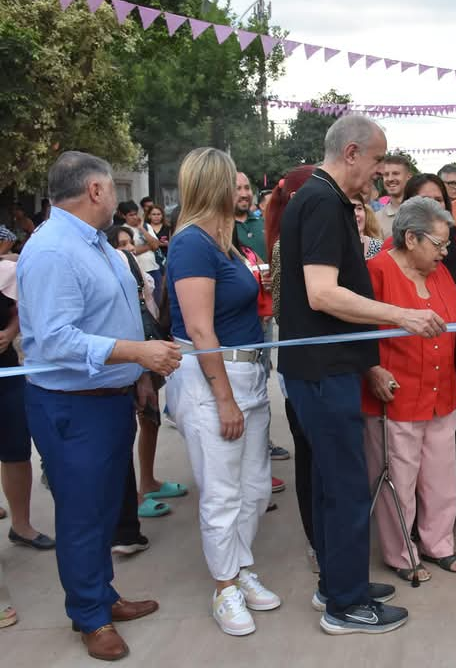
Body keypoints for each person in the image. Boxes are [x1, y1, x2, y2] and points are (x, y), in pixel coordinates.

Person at [278, 114, 441, 635]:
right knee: (347, 486)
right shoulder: (324, 201)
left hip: (323, 370)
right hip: (323, 373)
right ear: (351, 153)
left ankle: (339, 581)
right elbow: (322, 293)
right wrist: (401, 315)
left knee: (333, 483)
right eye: (374, 162)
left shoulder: (320, 199)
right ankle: (345, 606)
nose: (376, 174)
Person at [18, 151, 181, 661]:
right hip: (72, 406)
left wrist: (137, 378)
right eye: (112, 188)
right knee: (83, 513)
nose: (116, 197)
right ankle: (88, 614)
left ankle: (102, 595)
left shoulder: (98, 245)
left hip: (110, 398)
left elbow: (116, 317)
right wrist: (138, 354)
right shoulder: (51, 251)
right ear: (95, 190)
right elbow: (56, 339)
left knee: (107, 506)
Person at [164, 148, 278, 637]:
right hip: (215, 379)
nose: (242, 189)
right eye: (234, 181)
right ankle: (224, 585)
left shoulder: (225, 240)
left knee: (254, 488)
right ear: (214, 185)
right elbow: (198, 328)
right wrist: (224, 399)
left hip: (248, 375)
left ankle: (241, 565)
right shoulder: (192, 244)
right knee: (222, 492)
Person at [362, 197, 456, 581]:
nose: (446, 251)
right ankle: (401, 554)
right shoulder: (376, 272)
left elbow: (455, 324)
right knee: (397, 481)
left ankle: (438, 544)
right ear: (411, 239)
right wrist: (372, 367)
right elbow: (357, 331)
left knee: (441, 477)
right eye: (439, 243)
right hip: (397, 398)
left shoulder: (439, 273)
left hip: (442, 394)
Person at [398, 174, 456, 527]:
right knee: (407, 459)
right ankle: (409, 530)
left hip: (452, 363)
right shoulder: (386, 264)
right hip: (406, 374)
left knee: (451, 447)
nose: (435, 207)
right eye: (425, 202)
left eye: (439, 201)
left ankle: (452, 513)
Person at [108, 226, 186, 520]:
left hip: (148, 351)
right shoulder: (114, 276)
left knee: (150, 419)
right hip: (128, 358)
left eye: (130, 243)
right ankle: (133, 497)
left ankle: (149, 480)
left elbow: (150, 310)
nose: (128, 248)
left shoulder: (137, 271)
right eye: (121, 244)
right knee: (128, 425)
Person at [266, 165, 319, 570]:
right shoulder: (288, 246)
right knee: (310, 456)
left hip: (337, 367)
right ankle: (317, 540)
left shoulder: (362, 243)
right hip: (305, 368)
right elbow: (286, 310)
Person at [0, 259, 55, 550]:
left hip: (7, 376)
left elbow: (15, 311)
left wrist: (10, 332)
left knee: (16, 449)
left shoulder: (4, 272)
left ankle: (21, 525)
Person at [119, 201, 163, 305]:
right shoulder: (123, 230)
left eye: (135, 214)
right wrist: (149, 246)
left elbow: (156, 245)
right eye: (131, 215)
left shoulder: (146, 226)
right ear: (124, 216)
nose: (134, 217)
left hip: (154, 268)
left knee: (158, 301)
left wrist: (141, 228)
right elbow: (132, 250)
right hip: (139, 271)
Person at [374, 155, 412, 237]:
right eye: (386, 175)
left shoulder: (423, 211)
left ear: (408, 177)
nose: (390, 179)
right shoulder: (377, 218)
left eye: (396, 174)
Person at [234, 172, 267, 261]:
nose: (244, 194)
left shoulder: (266, 224)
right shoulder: (219, 230)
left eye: (247, 188)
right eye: (238, 188)